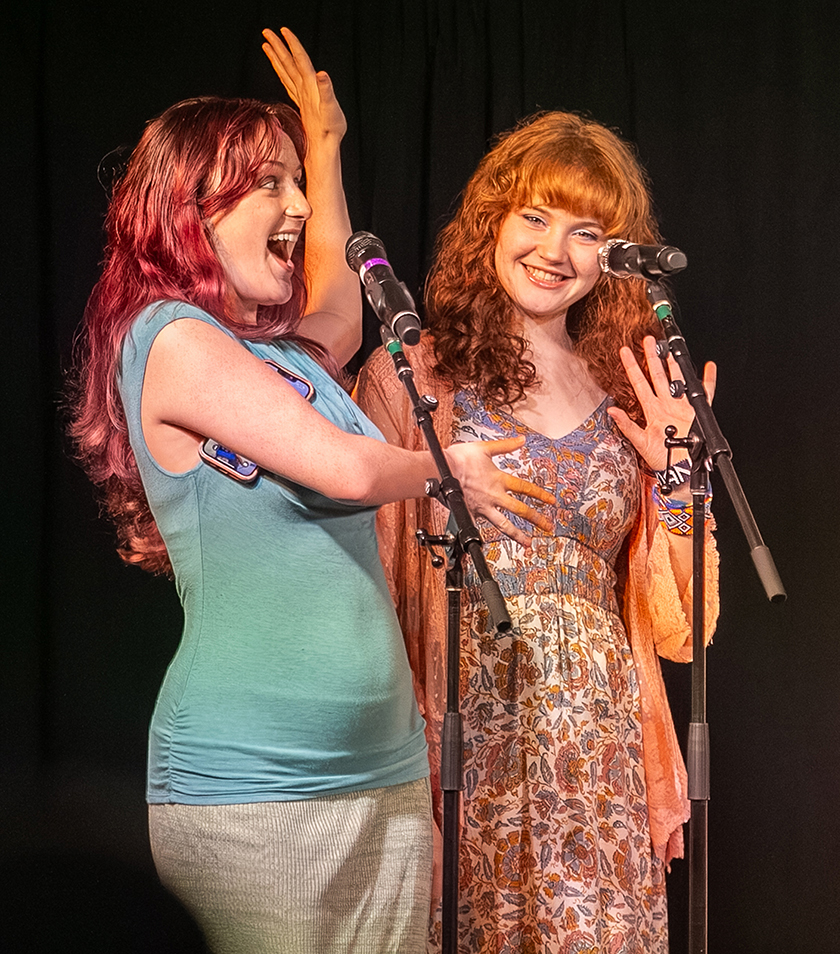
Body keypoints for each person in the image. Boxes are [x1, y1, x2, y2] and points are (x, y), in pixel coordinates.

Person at [68, 30, 552, 954]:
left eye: (295, 185)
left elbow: (338, 301)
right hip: (252, 790)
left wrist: (323, 149)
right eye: (267, 185)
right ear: (189, 210)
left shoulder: (287, 358)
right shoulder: (168, 338)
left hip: (384, 775)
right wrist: (448, 470)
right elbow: (349, 468)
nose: (294, 208)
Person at [355, 111, 719, 953]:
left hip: (599, 750)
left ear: (613, 256)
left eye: (585, 232)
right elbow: (368, 580)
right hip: (463, 734)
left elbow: (683, 623)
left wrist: (676, 475)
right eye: (535, 216)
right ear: (493, 220)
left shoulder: (629, 388)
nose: (556, 249)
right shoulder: (416, 375)